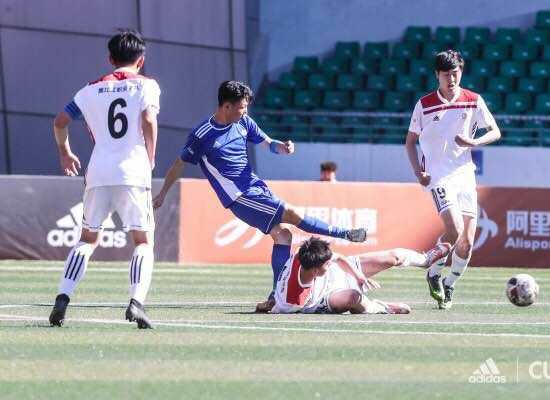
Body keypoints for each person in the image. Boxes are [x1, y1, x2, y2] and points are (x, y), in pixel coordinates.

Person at [152, 81, 367, 312]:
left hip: (256, 187)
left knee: (283, 236)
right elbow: (179, 164)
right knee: (291, 213)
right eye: (241, 107)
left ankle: (277, 296)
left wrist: (282, 147)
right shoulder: (202, 134)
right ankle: (344, 233)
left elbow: (268, 143)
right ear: (226, 106)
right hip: (239, 196)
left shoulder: (243, 122)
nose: (245, 111)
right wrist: (163, 192)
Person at [49, 30, 160, 329]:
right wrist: (151, 157)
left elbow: (60, 121)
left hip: (98, 171)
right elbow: (148, 119)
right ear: (141, 60)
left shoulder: (90, 89)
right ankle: (136, 302)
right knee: (143, 241)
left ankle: (63, 297)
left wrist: (65, 153)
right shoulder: (147, 85)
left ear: (110, 59)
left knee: (87, 239)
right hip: (133, 171)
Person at [405, 50, 501, 309]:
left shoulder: (473, 100)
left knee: (466, 242)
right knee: (454, 229)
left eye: (455, 73)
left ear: (461, 72)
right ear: (437, 75)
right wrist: (418, 172)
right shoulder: (424, 105)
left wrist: (474, 141)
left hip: (465, 174)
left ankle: (449, 284)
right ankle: (434, 272)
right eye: (446, 74)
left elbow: (495, 131)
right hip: (437, 176)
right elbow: (410, 142)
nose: (451, 79)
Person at [271, 233, 452, 314]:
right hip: (326, 297)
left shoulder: (306, 254)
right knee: (353, 297)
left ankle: (425, 260)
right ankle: (381, 307)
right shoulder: (293, 300)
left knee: (393, 257)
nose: (330, 262)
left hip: (343, 272)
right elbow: (278, 306)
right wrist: (268, 306)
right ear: (316, 270)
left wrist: (358, 276)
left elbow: (338, 258)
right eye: (327, 264)